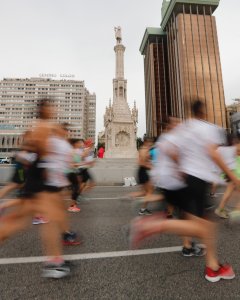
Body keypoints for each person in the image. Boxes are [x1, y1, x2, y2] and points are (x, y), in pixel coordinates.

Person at [130, 100, 239, 282]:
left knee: (206, 226)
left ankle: (212, 266)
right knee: (203, 227)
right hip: (197, 182)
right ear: (203, 111)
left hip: (188, 182)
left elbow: (173, 151)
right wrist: (232, 176)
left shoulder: (184, 129)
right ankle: (149, 226)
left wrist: (178, 171)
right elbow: (213, 153)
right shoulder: (208, 128)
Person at [129, 137, 153, 215]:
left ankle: (130, 197)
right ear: (146, 142)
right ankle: (142, 209)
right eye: (150, 142)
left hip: (143, 171)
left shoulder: (145, 149)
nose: (151, 144)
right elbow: (141, 163)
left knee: (145, 192)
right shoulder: (143, 150)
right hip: (142, 171)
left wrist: (149, 164)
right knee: (149, 191)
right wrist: (150, 166)